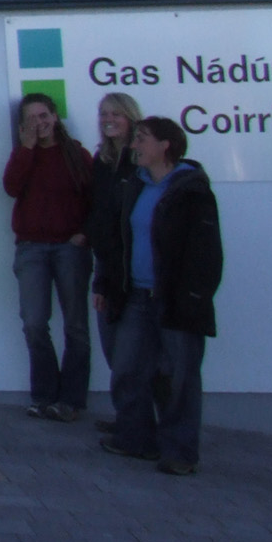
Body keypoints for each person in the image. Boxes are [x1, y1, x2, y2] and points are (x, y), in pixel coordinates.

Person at [93, 117, 223, 475]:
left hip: (175, 299)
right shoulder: (134, 186)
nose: (136, 145)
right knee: (127, 369)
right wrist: (105, 282)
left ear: (166, 145)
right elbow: (117, 240)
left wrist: (194, 298)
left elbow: (206, 251)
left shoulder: (191, 190)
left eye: (143, 139)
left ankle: (180, 452)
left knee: (179, 378)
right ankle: (136, 440)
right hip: (135, 294)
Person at [2, 91, 94, 422]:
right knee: (34, 323)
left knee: (76, 326)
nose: (39, 123)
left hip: (70, 249)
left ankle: (71, 400)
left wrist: (85, 233)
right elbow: (11, 187)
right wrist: (26, 149)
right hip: (31, 249)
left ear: (55, 117)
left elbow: (95, 197)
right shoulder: (23, 155)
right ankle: (44, 394)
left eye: (43, 116)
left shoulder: (76, 154)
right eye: (31, 118)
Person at [84, 91, 143, 376]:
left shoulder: (142, 160)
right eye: (103, 113)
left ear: (130, 118)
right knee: (113, 348)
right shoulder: (102, 160)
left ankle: (148, 419)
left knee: (140, 352)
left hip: (137, 269)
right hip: (108, 267)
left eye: (115, 113)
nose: (108, 119)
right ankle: (128, 418)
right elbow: (99, 215)